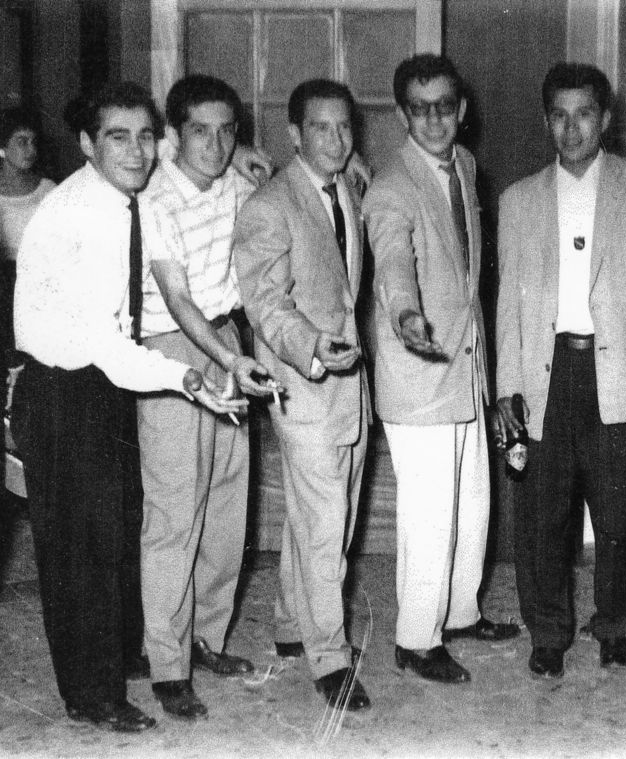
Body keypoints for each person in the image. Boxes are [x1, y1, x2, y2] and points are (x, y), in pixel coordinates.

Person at [11, 81, 245, 732]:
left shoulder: (127, 197)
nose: (137, 151)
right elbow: (104, 343)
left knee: (117, 531)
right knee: (79, 551)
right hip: (64, 390)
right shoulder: (78, 213)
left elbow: (188, 162)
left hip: (102, 385)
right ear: (87, 144)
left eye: (146, 136)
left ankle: (118, 654)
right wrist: (185, 377)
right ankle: (92, 694)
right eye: (118, 137)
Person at [495, 62, 626, 678]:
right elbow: (508, 303)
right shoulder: (518, 199)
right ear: (547, 121)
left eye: (585, 115)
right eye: (560, 116)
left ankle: (615, 625)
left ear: (606, 120)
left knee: (622, 514)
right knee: (542, 515)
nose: (572, 129)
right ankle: (548, 632)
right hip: (547, 373)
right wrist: (508, 386)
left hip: (617, 370)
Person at [363, 53, 518, 685]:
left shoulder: (466, 166)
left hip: (466, 368)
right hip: (419, 374)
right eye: (420, 109)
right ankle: (416, 641)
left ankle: (459, 613)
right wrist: (405, 313)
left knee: (472, 504)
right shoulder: (390, 187)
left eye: (444, 107)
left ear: (462, 110)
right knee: (429, 516)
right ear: (403, 115)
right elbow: (392, 261)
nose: (434, 120)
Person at [138, 74, 279, 719]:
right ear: (174, 135)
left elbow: (282, 187)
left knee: (227, 504)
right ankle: (167, 664)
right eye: (201, 131)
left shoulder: (236, 183)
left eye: (227, 131)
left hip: (226, 334)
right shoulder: (155, 196)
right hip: (174, 346)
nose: (216, 145)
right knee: (175, 511)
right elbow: (176, 297)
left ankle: (206, 639)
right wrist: (229, 360)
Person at [233, 78, 370, 712]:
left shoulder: (347, 187)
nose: (337, 140)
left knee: (321, 517)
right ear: (293, 134)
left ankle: (293, 624)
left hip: (351, 385)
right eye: (321, 128)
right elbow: (264, 303)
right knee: (324, 524)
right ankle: (329, 659)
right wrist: (312, 345)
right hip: (304, 381)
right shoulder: (269, 204)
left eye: (344, 127)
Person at [0, 107, 54, 378]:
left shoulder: (48, 189)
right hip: (5, 287)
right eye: (21, 141)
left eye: (33, 142)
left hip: (43, 283)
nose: (30, 149)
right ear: (2, 147)